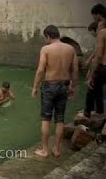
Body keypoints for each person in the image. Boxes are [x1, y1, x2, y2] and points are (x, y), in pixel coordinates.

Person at [32, 25, 78, 158]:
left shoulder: (46, 49)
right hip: (64, 86)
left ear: (48, 36)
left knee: (46, 118)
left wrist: (35, 87)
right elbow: (75, 70)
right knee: (60, 119)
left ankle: (45, 150)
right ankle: (57, 149)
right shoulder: (71, 49)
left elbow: (40, 70)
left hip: (50, 86)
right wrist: (73, 87)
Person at [86, 10, 106, 119]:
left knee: (92, 86)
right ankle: (99, 111)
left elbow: (98, 56)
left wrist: (91, 74)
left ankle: (88, 113)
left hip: (104, 67)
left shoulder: (103, 33)